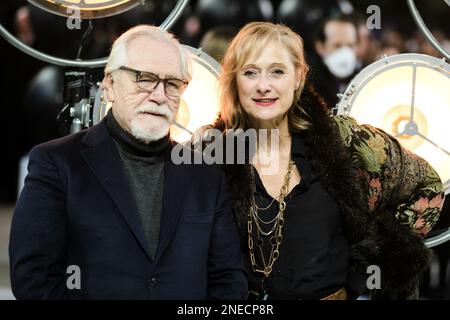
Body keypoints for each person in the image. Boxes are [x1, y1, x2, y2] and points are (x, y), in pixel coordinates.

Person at [9, 25, 247, 300]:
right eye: (144, 79)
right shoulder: (56, 163)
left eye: (172, 84)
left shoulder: (206, 175)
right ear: (109, 84)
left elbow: (228, 279)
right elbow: (33, 280)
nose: (159, 95)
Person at [213, 21, 445, 300]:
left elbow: (427, 187)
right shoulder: (214, 154)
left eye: (277, 71)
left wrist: (369, 263)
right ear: (234, 79)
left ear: (298, 76)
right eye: (250, 72)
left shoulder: (346, 141)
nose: (264, 86)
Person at [309, 15, 360, 109]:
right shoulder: (307, 84)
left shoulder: (363, 79)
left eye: (350, 45)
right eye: (337, 46)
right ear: (320, 46)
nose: (345, 53)